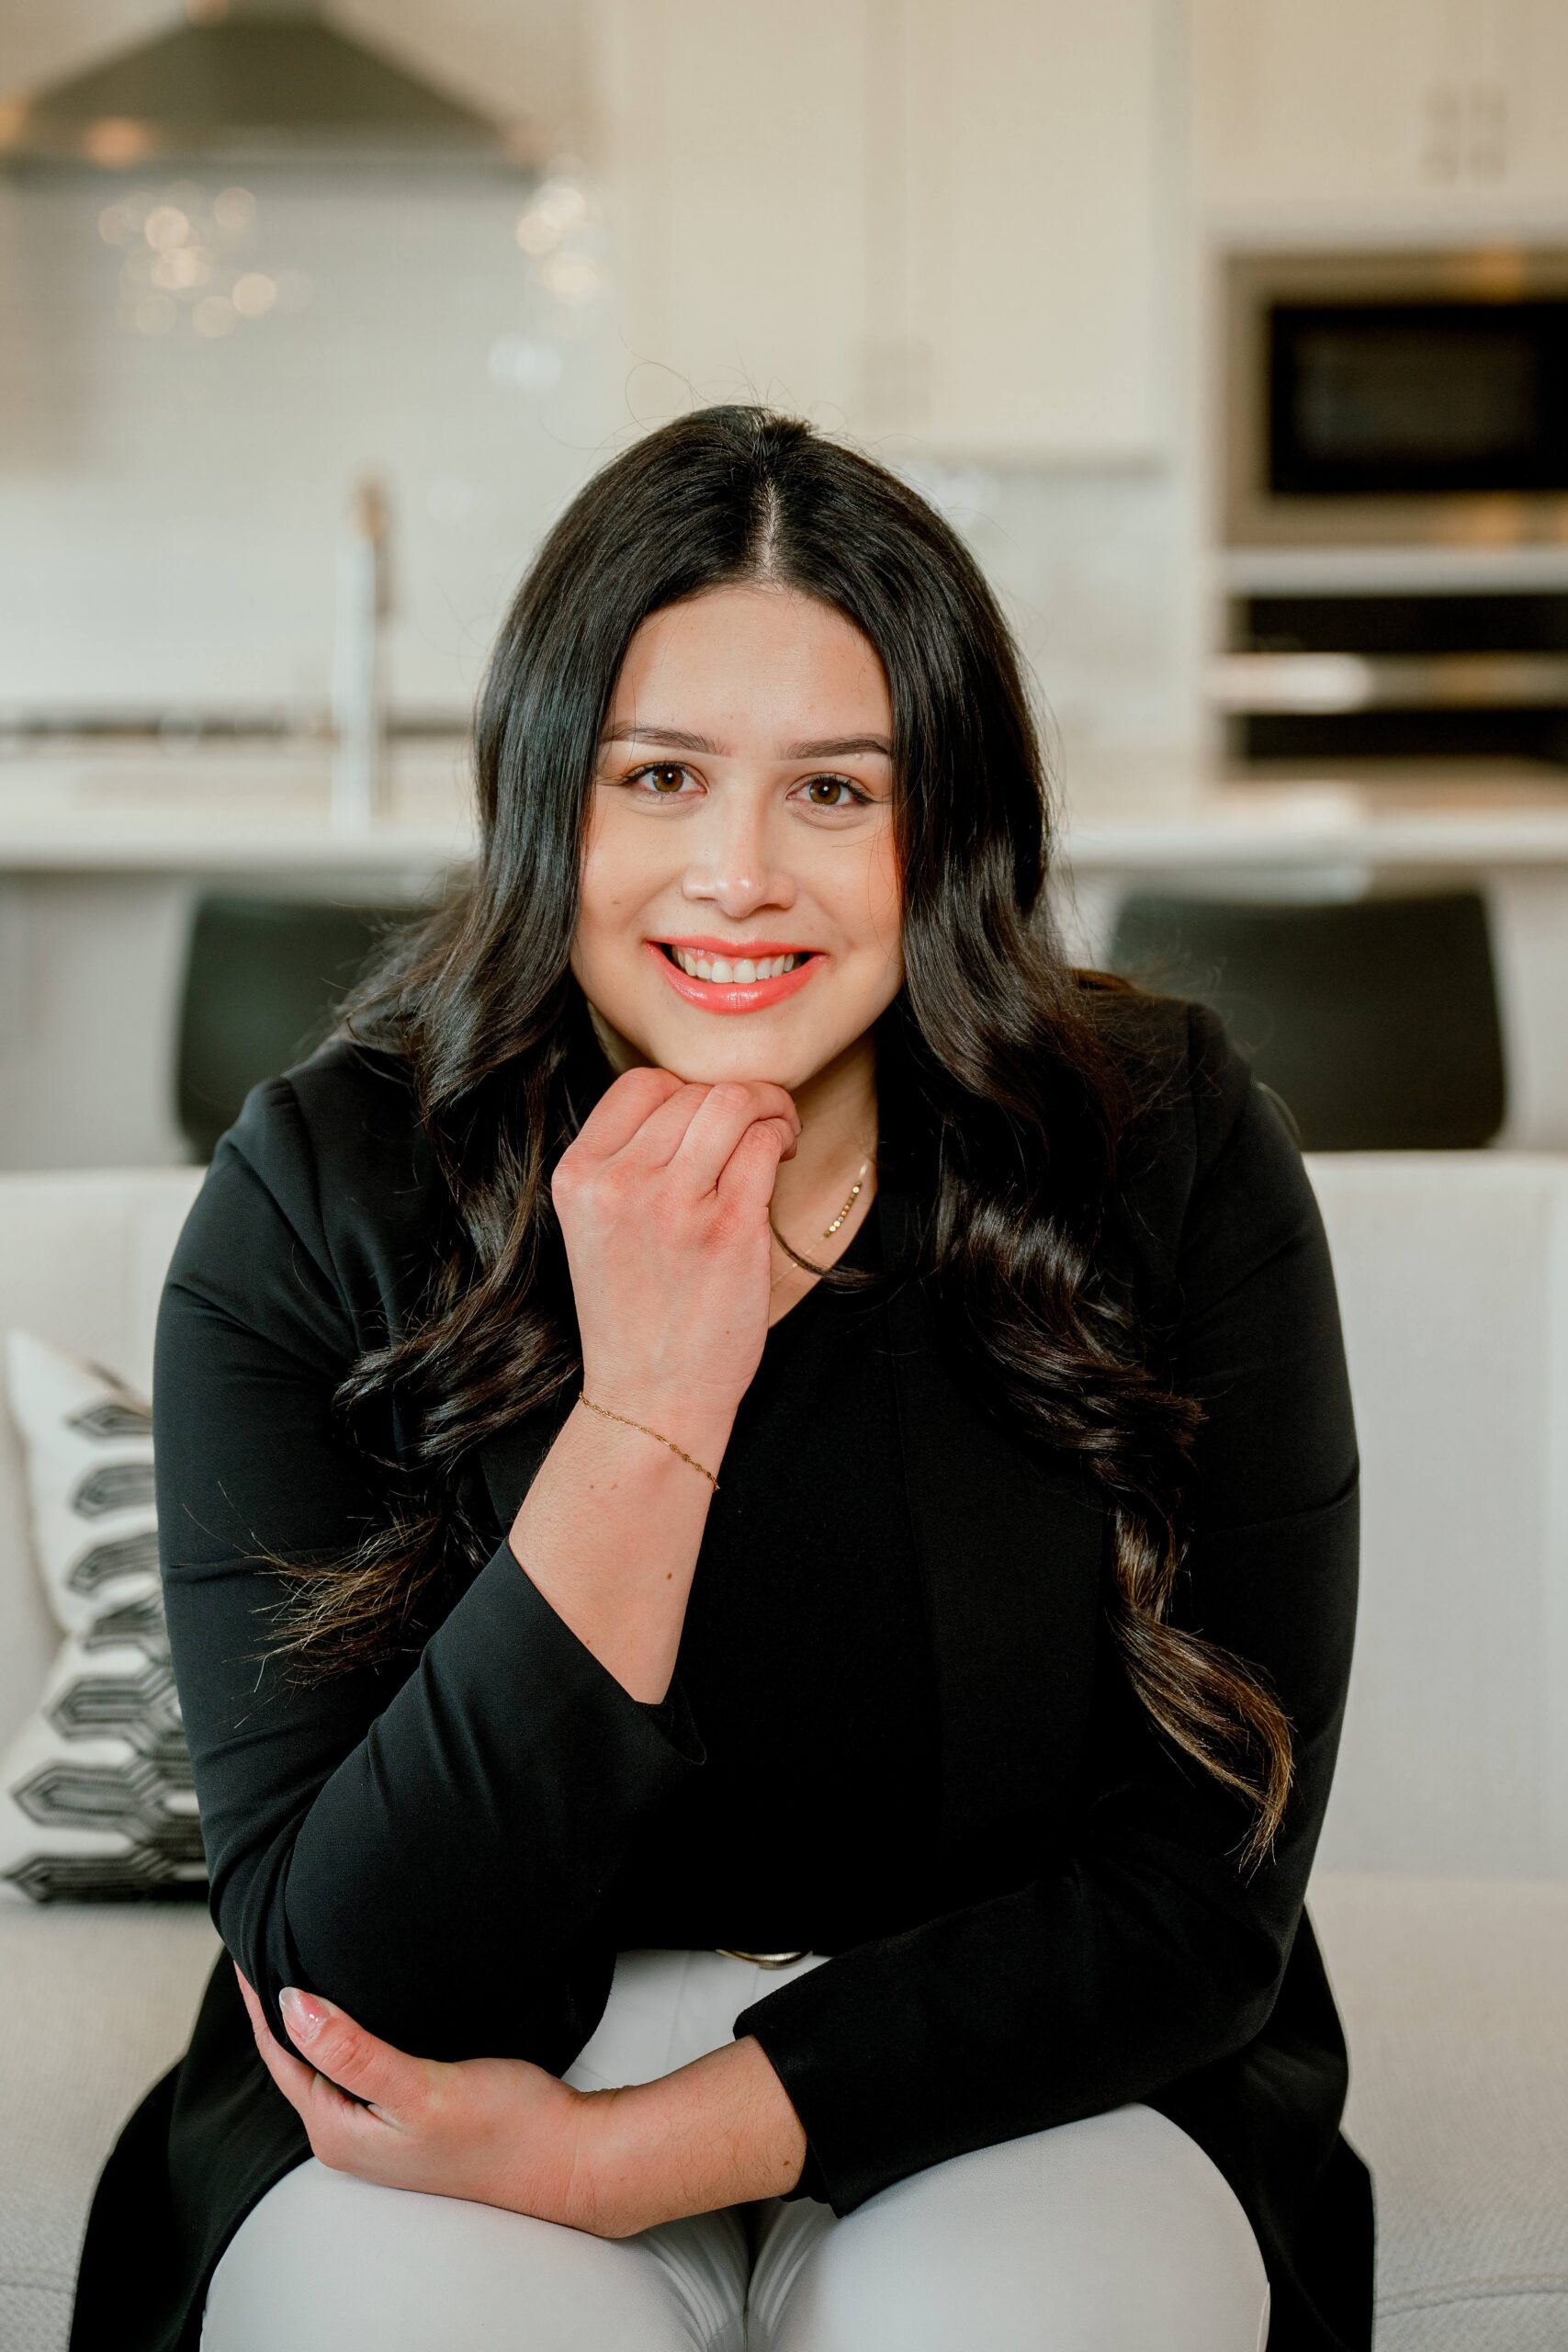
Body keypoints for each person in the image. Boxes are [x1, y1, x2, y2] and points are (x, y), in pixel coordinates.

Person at [68, 404, 1372, 2352]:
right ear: (548, 801)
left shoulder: (1164, 1144)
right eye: (660, 775)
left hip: (1026, 2058)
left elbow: (1200, 1894)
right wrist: (648, 1415)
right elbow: (358, 1980)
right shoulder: (324, 1191)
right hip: (456, 2078)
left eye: (834, 789)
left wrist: (628, 2156)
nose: (738, 874)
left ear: (949, 826)